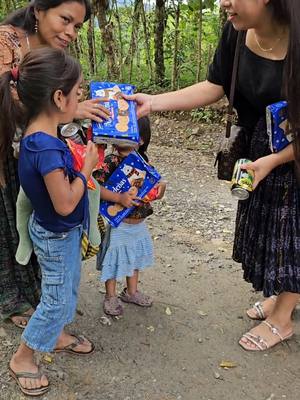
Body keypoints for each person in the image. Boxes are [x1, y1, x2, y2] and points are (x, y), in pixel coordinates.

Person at [125, 0, 300, 351]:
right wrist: (153, 102)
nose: (224, 3)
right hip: (257, 151)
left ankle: (283, 318)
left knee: (293, 234)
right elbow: (213, 86)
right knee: (270, 233)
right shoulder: (236, 34)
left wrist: (274, 161)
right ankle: (282, 296)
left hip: (292, 158)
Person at [0, 0, 109, 329]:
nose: (71, 32)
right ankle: (17, 301)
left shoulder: (52, 52)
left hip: (28, 150)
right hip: (5, 150)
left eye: (77, 26)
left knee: (33, 220)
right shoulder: (6, 43)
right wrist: (67, 110)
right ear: (38, 11)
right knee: (9, 225)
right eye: (65, 20)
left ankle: (41, 295)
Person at [0, 47, 100, 396]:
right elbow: (65, 202)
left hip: (59, 233)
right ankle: (24, 358)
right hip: (56, 234)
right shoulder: (47, 149)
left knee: (66, 287)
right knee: (56, 298)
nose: (80, 98)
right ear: (59, 97)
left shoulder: (38, 134)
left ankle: (55, 335)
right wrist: (86, 168)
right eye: (78, 93)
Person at [93, 117, 166, 316]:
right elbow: (95, 188)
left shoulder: (142, 160)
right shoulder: (109, 161)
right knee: (114, 259)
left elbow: (154, 185)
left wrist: (162, 187)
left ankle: (131, 292)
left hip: (139, 223)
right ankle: (111, 296)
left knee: (134, 258)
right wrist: (119, 197)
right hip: (119, 224)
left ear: (140, 139)